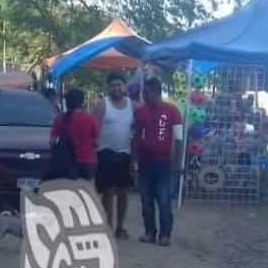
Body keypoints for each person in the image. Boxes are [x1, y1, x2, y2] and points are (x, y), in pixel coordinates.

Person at [133, 78, 183, 247]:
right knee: (145, 199)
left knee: (163, 200)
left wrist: (177, 163)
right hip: (145, 162)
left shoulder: (172, 111)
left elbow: (178, 140)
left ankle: (165, 234)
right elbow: (136, 137)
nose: (143, 95)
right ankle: (149, 232)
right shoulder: (140, 112)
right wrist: (133, 160)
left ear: (156, 92)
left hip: (164, 163)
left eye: (146, 92)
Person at [93, 72, 136, 240]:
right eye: (112, 85)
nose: (116, 88)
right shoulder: (101, 105)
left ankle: (120, 228)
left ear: (124, 86)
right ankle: (107, 227)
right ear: (108, 88)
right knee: (108, 193)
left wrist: (135, 159)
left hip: (125, 154)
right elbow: (93, 131)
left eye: (119, 85)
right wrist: (94, 155)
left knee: (123, 193)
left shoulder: (133, 106)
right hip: (105, 154)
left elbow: (139, 130)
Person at [49, 88, 98, 180]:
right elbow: (95, 143)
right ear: (82, 102)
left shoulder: (59, 119)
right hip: (85, 162)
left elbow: (52, 142)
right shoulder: (90, 119)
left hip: (64, 163)